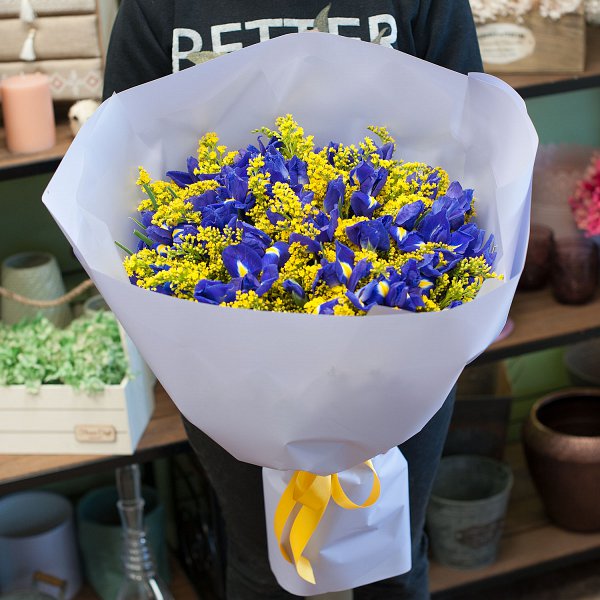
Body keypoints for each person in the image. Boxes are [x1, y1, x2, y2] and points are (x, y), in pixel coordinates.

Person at [103, 3, 482, 598]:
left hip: (405, 335)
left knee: (394, 557)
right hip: (224, 362)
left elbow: (477, 138)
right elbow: (117, 161)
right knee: (263, 566)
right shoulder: (157, 7)